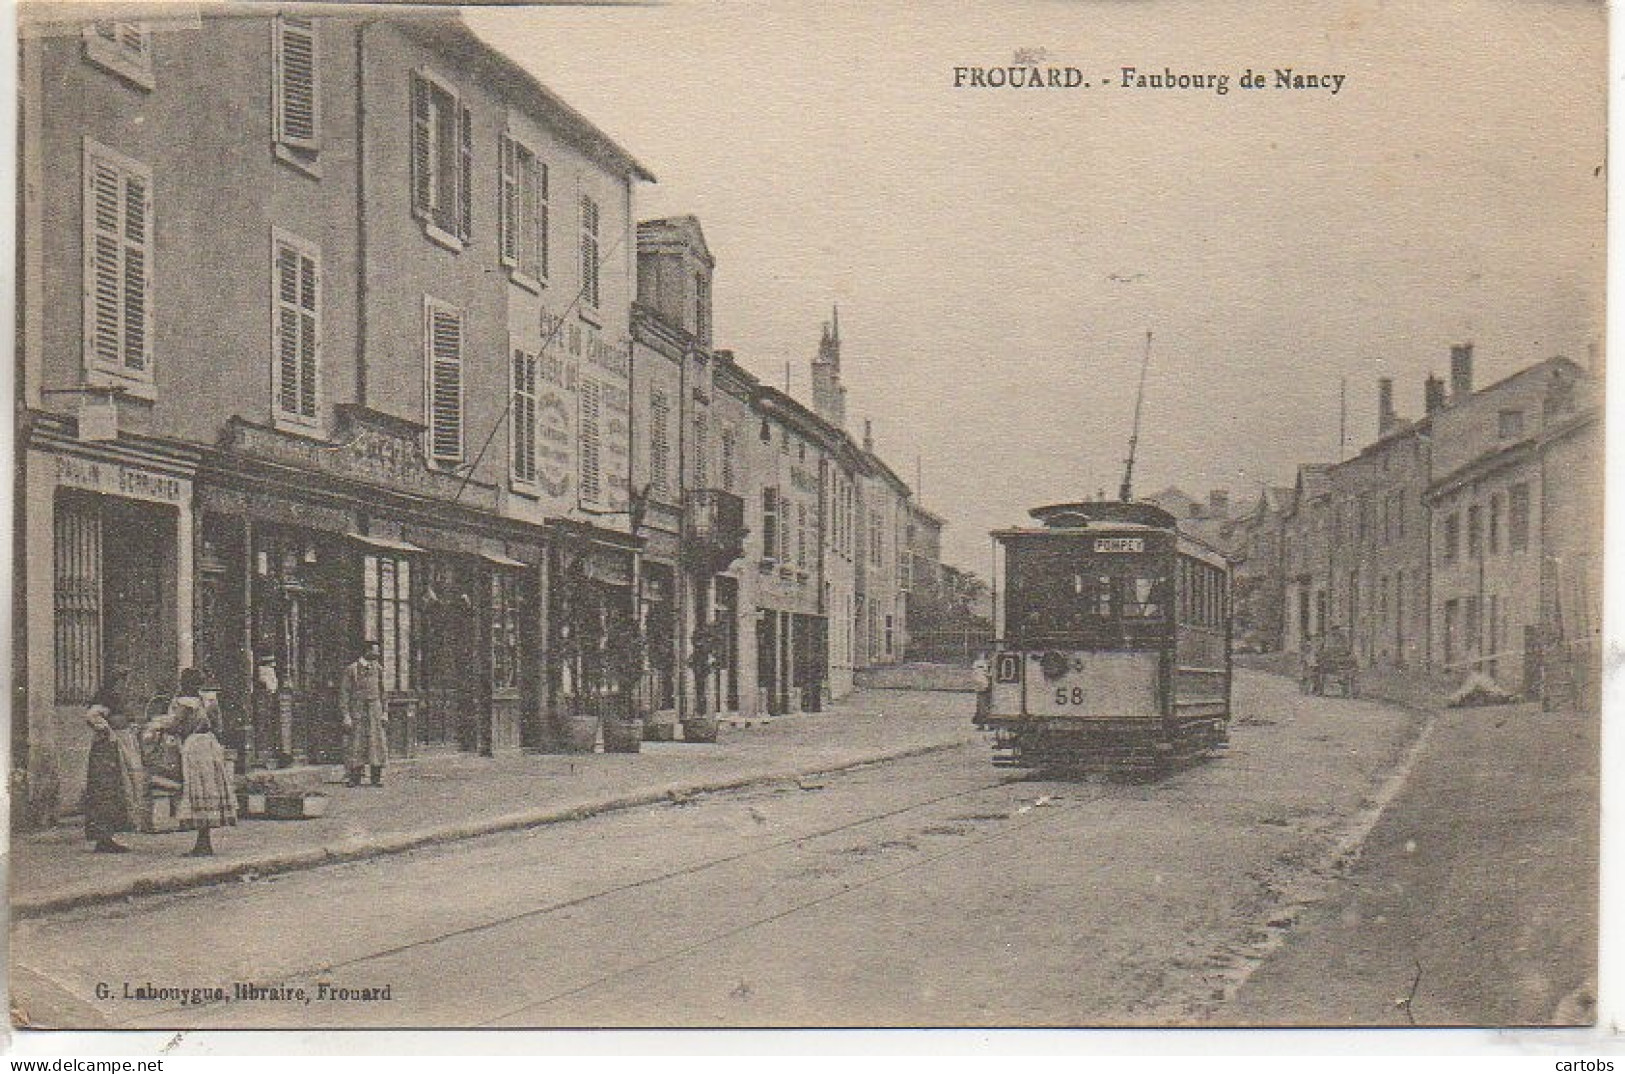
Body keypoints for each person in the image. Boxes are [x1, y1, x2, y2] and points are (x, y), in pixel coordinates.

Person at [151, 668, 237, 857]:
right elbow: (218, 726)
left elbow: (175, 724)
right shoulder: (209, 700)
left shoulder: (186, 702)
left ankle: (203, 844)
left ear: (185, 683)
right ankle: (204, 841)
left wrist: (155, 724)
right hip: (210, 745)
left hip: (195, 747)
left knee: (197, 789)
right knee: (207, 791)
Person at [83, 668, 146, 853]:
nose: (123, 685)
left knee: (117, 790)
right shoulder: (105, 698)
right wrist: (107, 732)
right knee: (105, 790)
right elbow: (92, 716)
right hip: (108, 751)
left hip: (118, 749)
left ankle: (108, 837)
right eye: (120, 680)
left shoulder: (117, 699)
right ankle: (103, 838)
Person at [340, 641, 389, 787]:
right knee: (356, 743)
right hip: (358, 709)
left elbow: (383, 692)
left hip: (375, 709)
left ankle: (376, 778)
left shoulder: (378, 669)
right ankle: (354, 778)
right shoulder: (352, 669)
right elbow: (344, 693)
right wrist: (346, 715)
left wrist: (385, 712)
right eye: (375, 651)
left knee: (376, 743)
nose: (378, 654)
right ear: (367, 651)